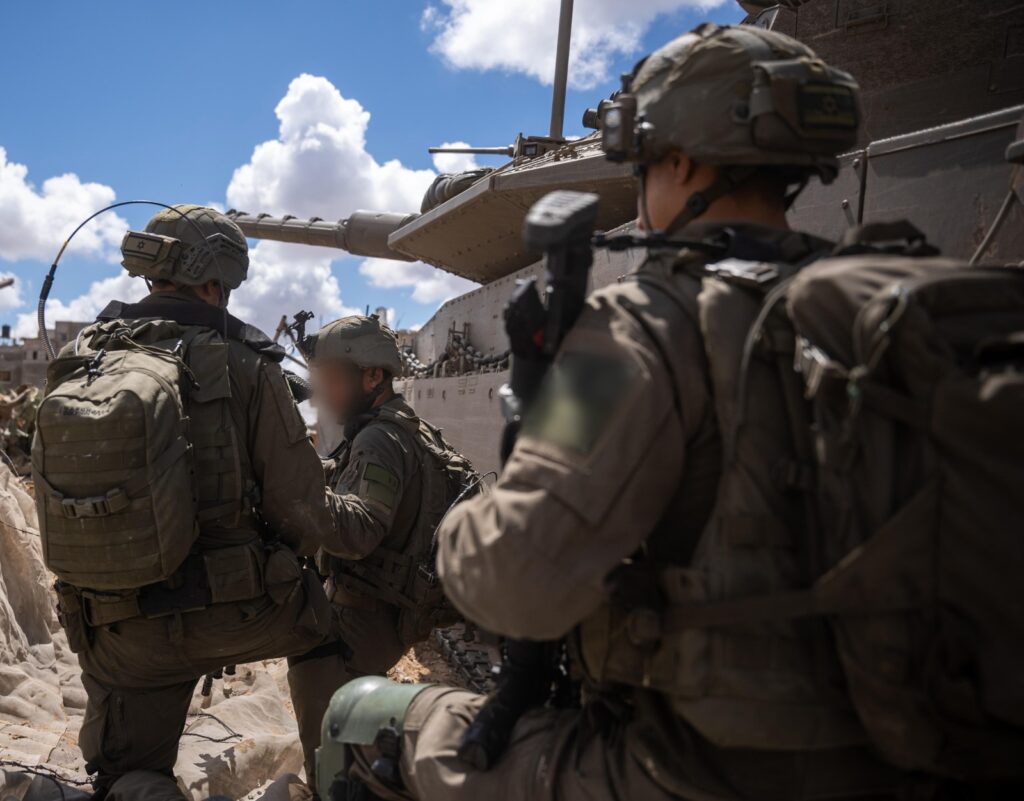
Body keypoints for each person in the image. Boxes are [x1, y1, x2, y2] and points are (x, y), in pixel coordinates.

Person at [315, 23, 904, 801]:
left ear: (681, 162)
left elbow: (508, 578)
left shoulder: (636, 328)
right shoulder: (897, 304)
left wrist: (468, 510)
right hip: (910, 745)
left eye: (644, 161)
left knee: (359, 718)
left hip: (700, 766)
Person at [32, 205, 342, 801]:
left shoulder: (83, 354)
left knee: (129, 778)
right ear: (215, 281)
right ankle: (339, 780)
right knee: (332, 631)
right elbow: (303, 511)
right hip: (242, 616)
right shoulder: (248, 362)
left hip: (117, 632)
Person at [286, 315, 476, 791]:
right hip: (383, 614)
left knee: (333, 757)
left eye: (331, 380)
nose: (321, 395)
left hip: (358, 624)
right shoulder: (399, 427)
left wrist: (294, 485)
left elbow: (359, 531)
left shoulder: (379, 438)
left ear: (372, 376)